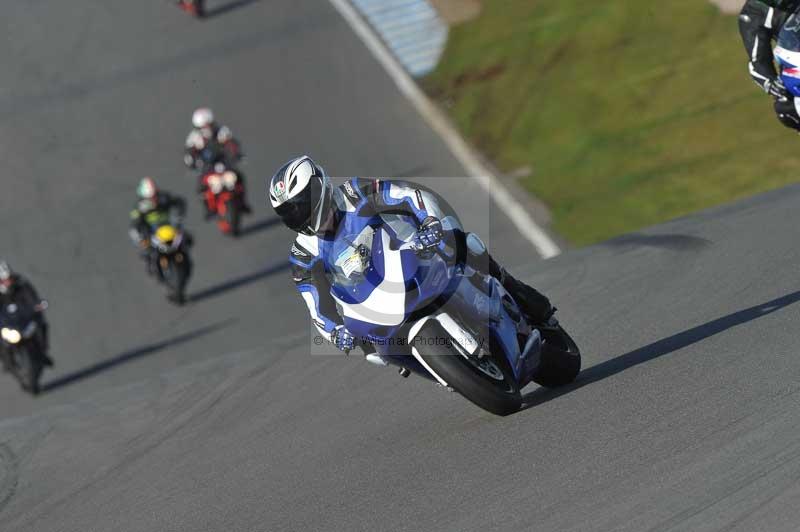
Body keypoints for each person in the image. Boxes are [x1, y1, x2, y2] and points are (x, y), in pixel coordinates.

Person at [268, 155, 556, 354]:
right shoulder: (302, 255)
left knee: (466, 244)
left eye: (300, 204)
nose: (298, 215)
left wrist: (429, 223)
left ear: (318, 188)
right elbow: (315, 306)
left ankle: (520, 296)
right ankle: (442, 368)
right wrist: (334, 332)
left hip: (413, 254)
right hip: (373, 301)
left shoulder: (355, 193)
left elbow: (407, 195)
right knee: (375, 351)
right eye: (288, 212)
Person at [739, 0, 800, 130]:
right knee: (785, 106)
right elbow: (758, 62)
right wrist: (772, 84)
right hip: (794, 60)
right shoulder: (751, 15)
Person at [184, 108, 251, 213]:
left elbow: (232, 144)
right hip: (207, 167)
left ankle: (242, 202)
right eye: (203, 126)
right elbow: (189, 154)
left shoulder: (221, 131)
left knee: (239, 177)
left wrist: (236, 154)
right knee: (200, 187)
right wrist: (192, 162)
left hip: (224, 164)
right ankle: (207, 207)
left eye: (208, 124)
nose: (207, 128)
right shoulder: (194, 137)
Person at [129, 177, 187, 274]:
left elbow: (179, 202)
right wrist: (142, 238)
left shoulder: (164, 198)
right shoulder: (140, 206)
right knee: (145, 246)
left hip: (168, 229)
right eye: (150, 197)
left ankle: (184, 260)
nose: (153, 199)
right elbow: (135, 223)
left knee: (187, 239)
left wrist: (179, 216)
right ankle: (151, 263)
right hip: (151, 232)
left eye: (154, 196)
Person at [0, 261, 52, 369]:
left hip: (25, 318)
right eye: (3, 281)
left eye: (8, 279)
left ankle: (43, 352)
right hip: (7, 323)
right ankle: (7, 361)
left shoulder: (21, 284)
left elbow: (32, 297)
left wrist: (37, 305)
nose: (7, 282)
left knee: (41, 324)